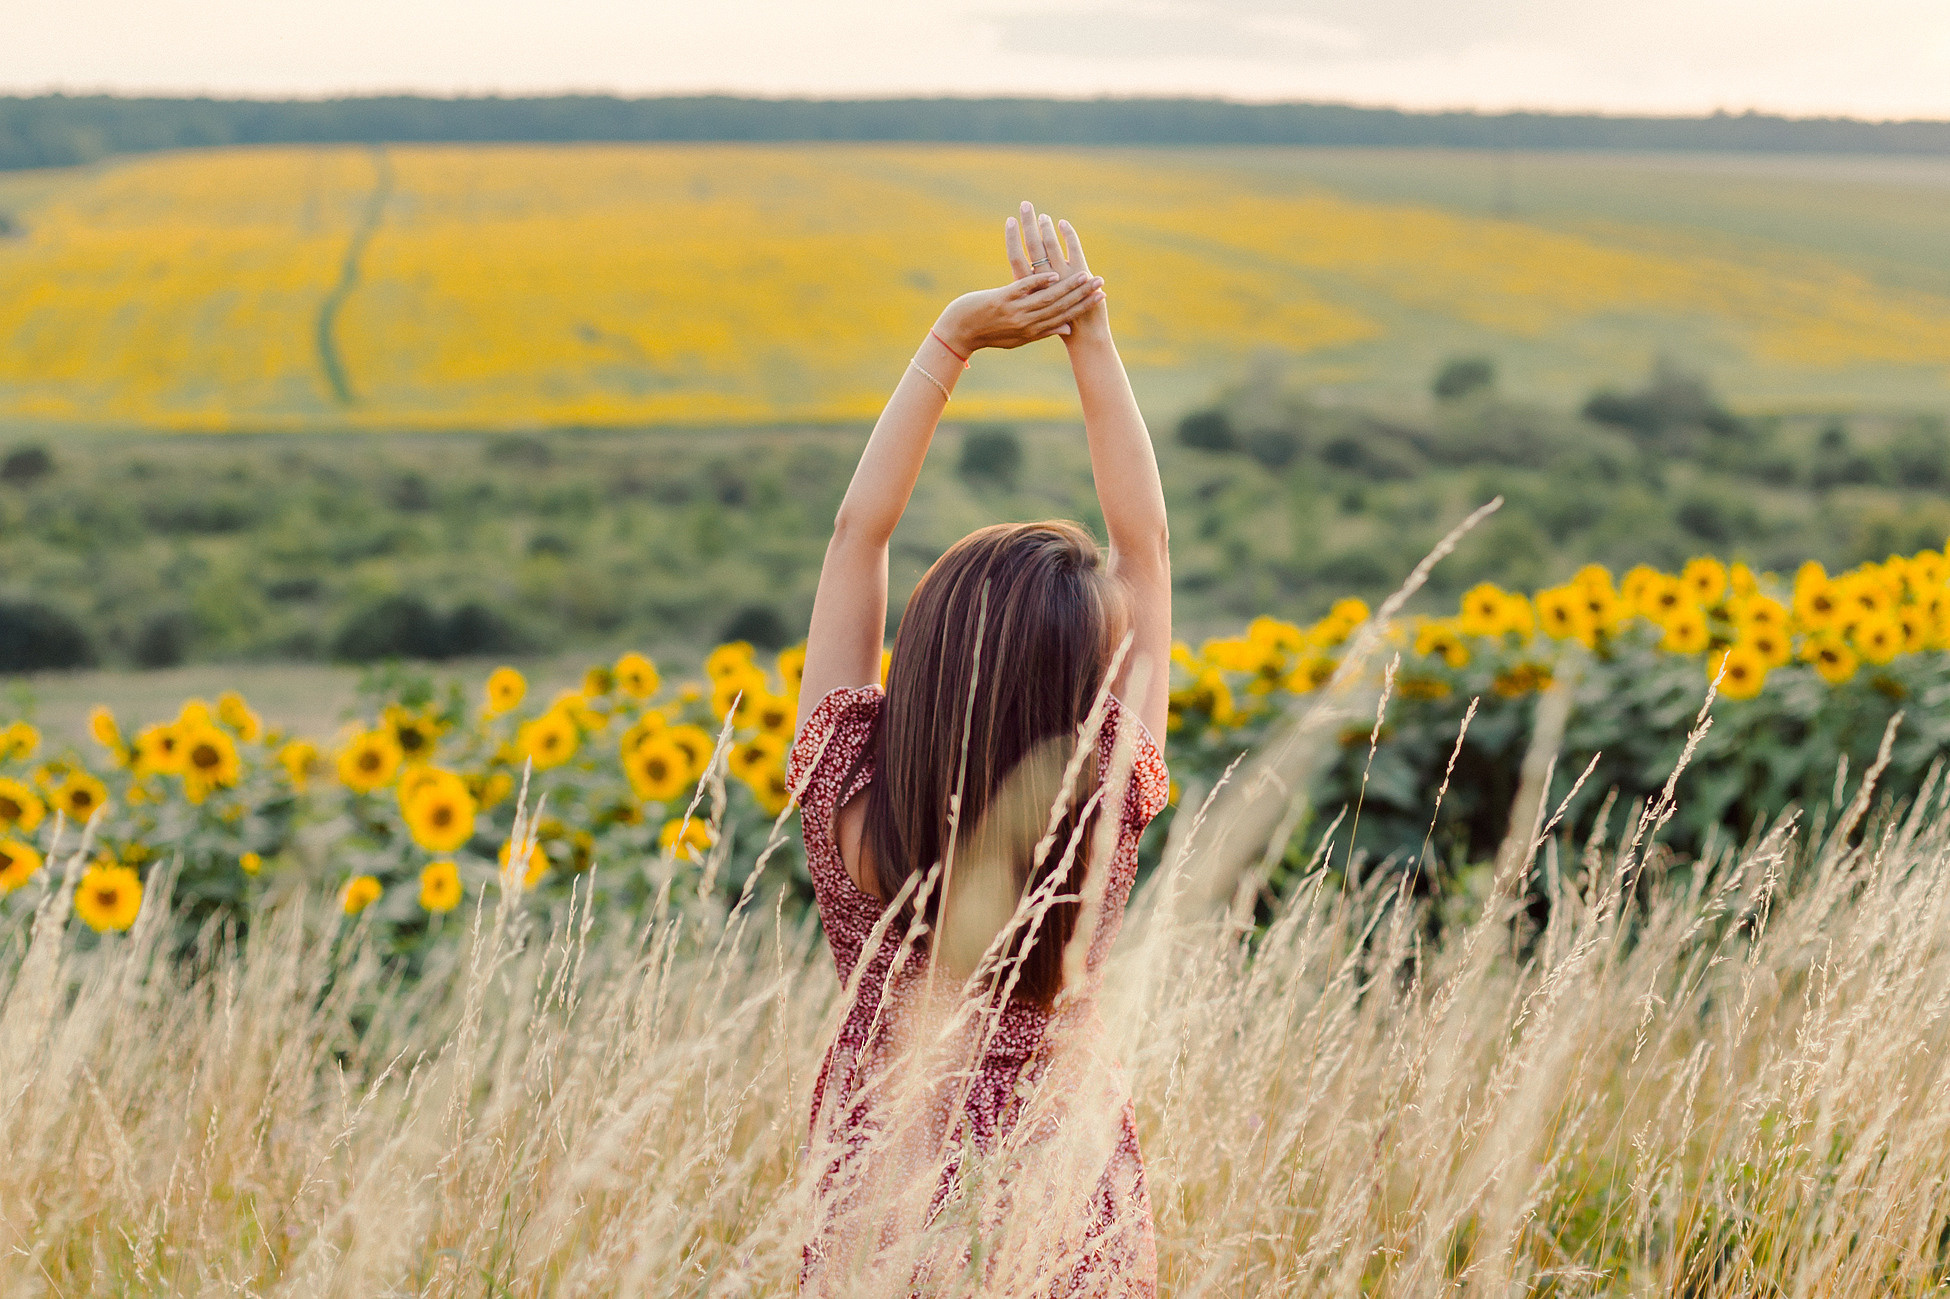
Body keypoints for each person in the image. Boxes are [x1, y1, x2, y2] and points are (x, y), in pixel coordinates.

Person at [787, 202, 1171, 1296]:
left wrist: (949, 340)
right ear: (1081, 689)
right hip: (1065, 1190)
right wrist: (1091, 340)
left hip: (879, 1193)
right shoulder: (1106, 795)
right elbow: (1144, 545)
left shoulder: (846, 792)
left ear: (927, 649)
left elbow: (857, 535)